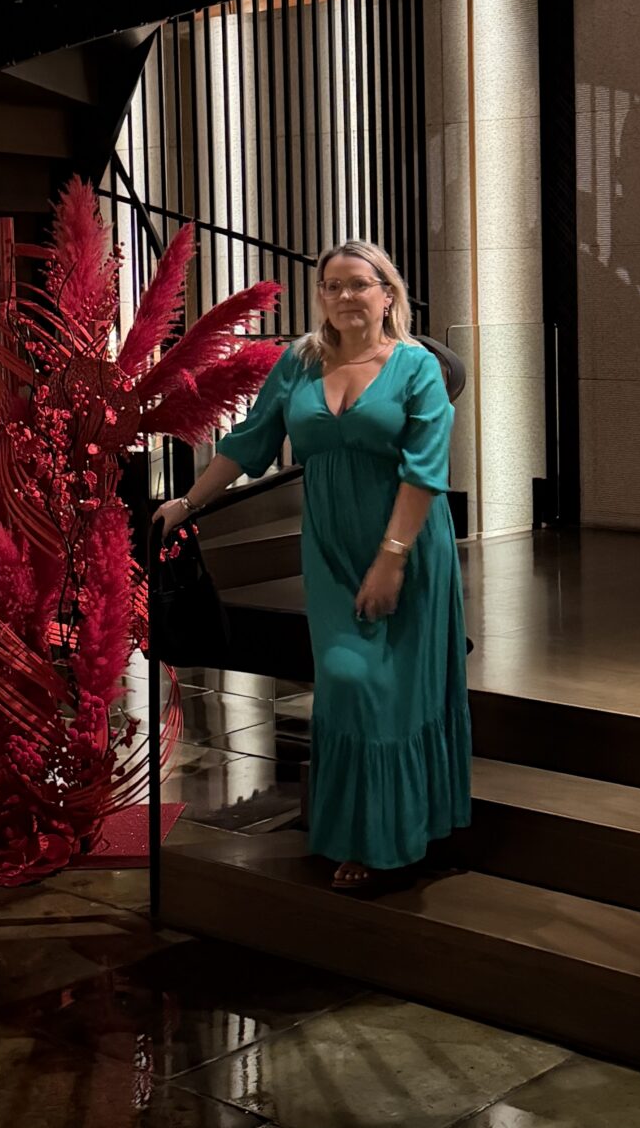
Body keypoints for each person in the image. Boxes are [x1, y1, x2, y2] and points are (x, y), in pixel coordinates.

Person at [153, 240, 471, 892]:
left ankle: (389, 838)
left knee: (387, 689)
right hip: (330, 547)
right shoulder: (299, 362)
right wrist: (188, 503)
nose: (346, 296)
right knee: (348, 681)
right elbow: (249, 442)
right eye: (333, 285)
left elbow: (425, 472)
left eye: (360, 284)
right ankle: (360, 828)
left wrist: (391, 562)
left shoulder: (416, 367)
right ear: (321, 296)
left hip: (405, 544)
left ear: (388, 295)